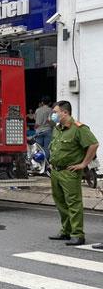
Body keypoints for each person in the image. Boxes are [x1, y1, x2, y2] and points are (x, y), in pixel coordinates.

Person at [48, 101, 99, 246]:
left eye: (56, 112)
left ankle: (78, 234)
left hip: (69, 172)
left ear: (65, 113)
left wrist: (83, 164)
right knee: (60, 203)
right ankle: (66, 231)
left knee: (73, 203)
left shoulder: (79, 128)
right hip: (56, 171)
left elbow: (93, 144)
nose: (53, 115)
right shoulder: (57, 128)